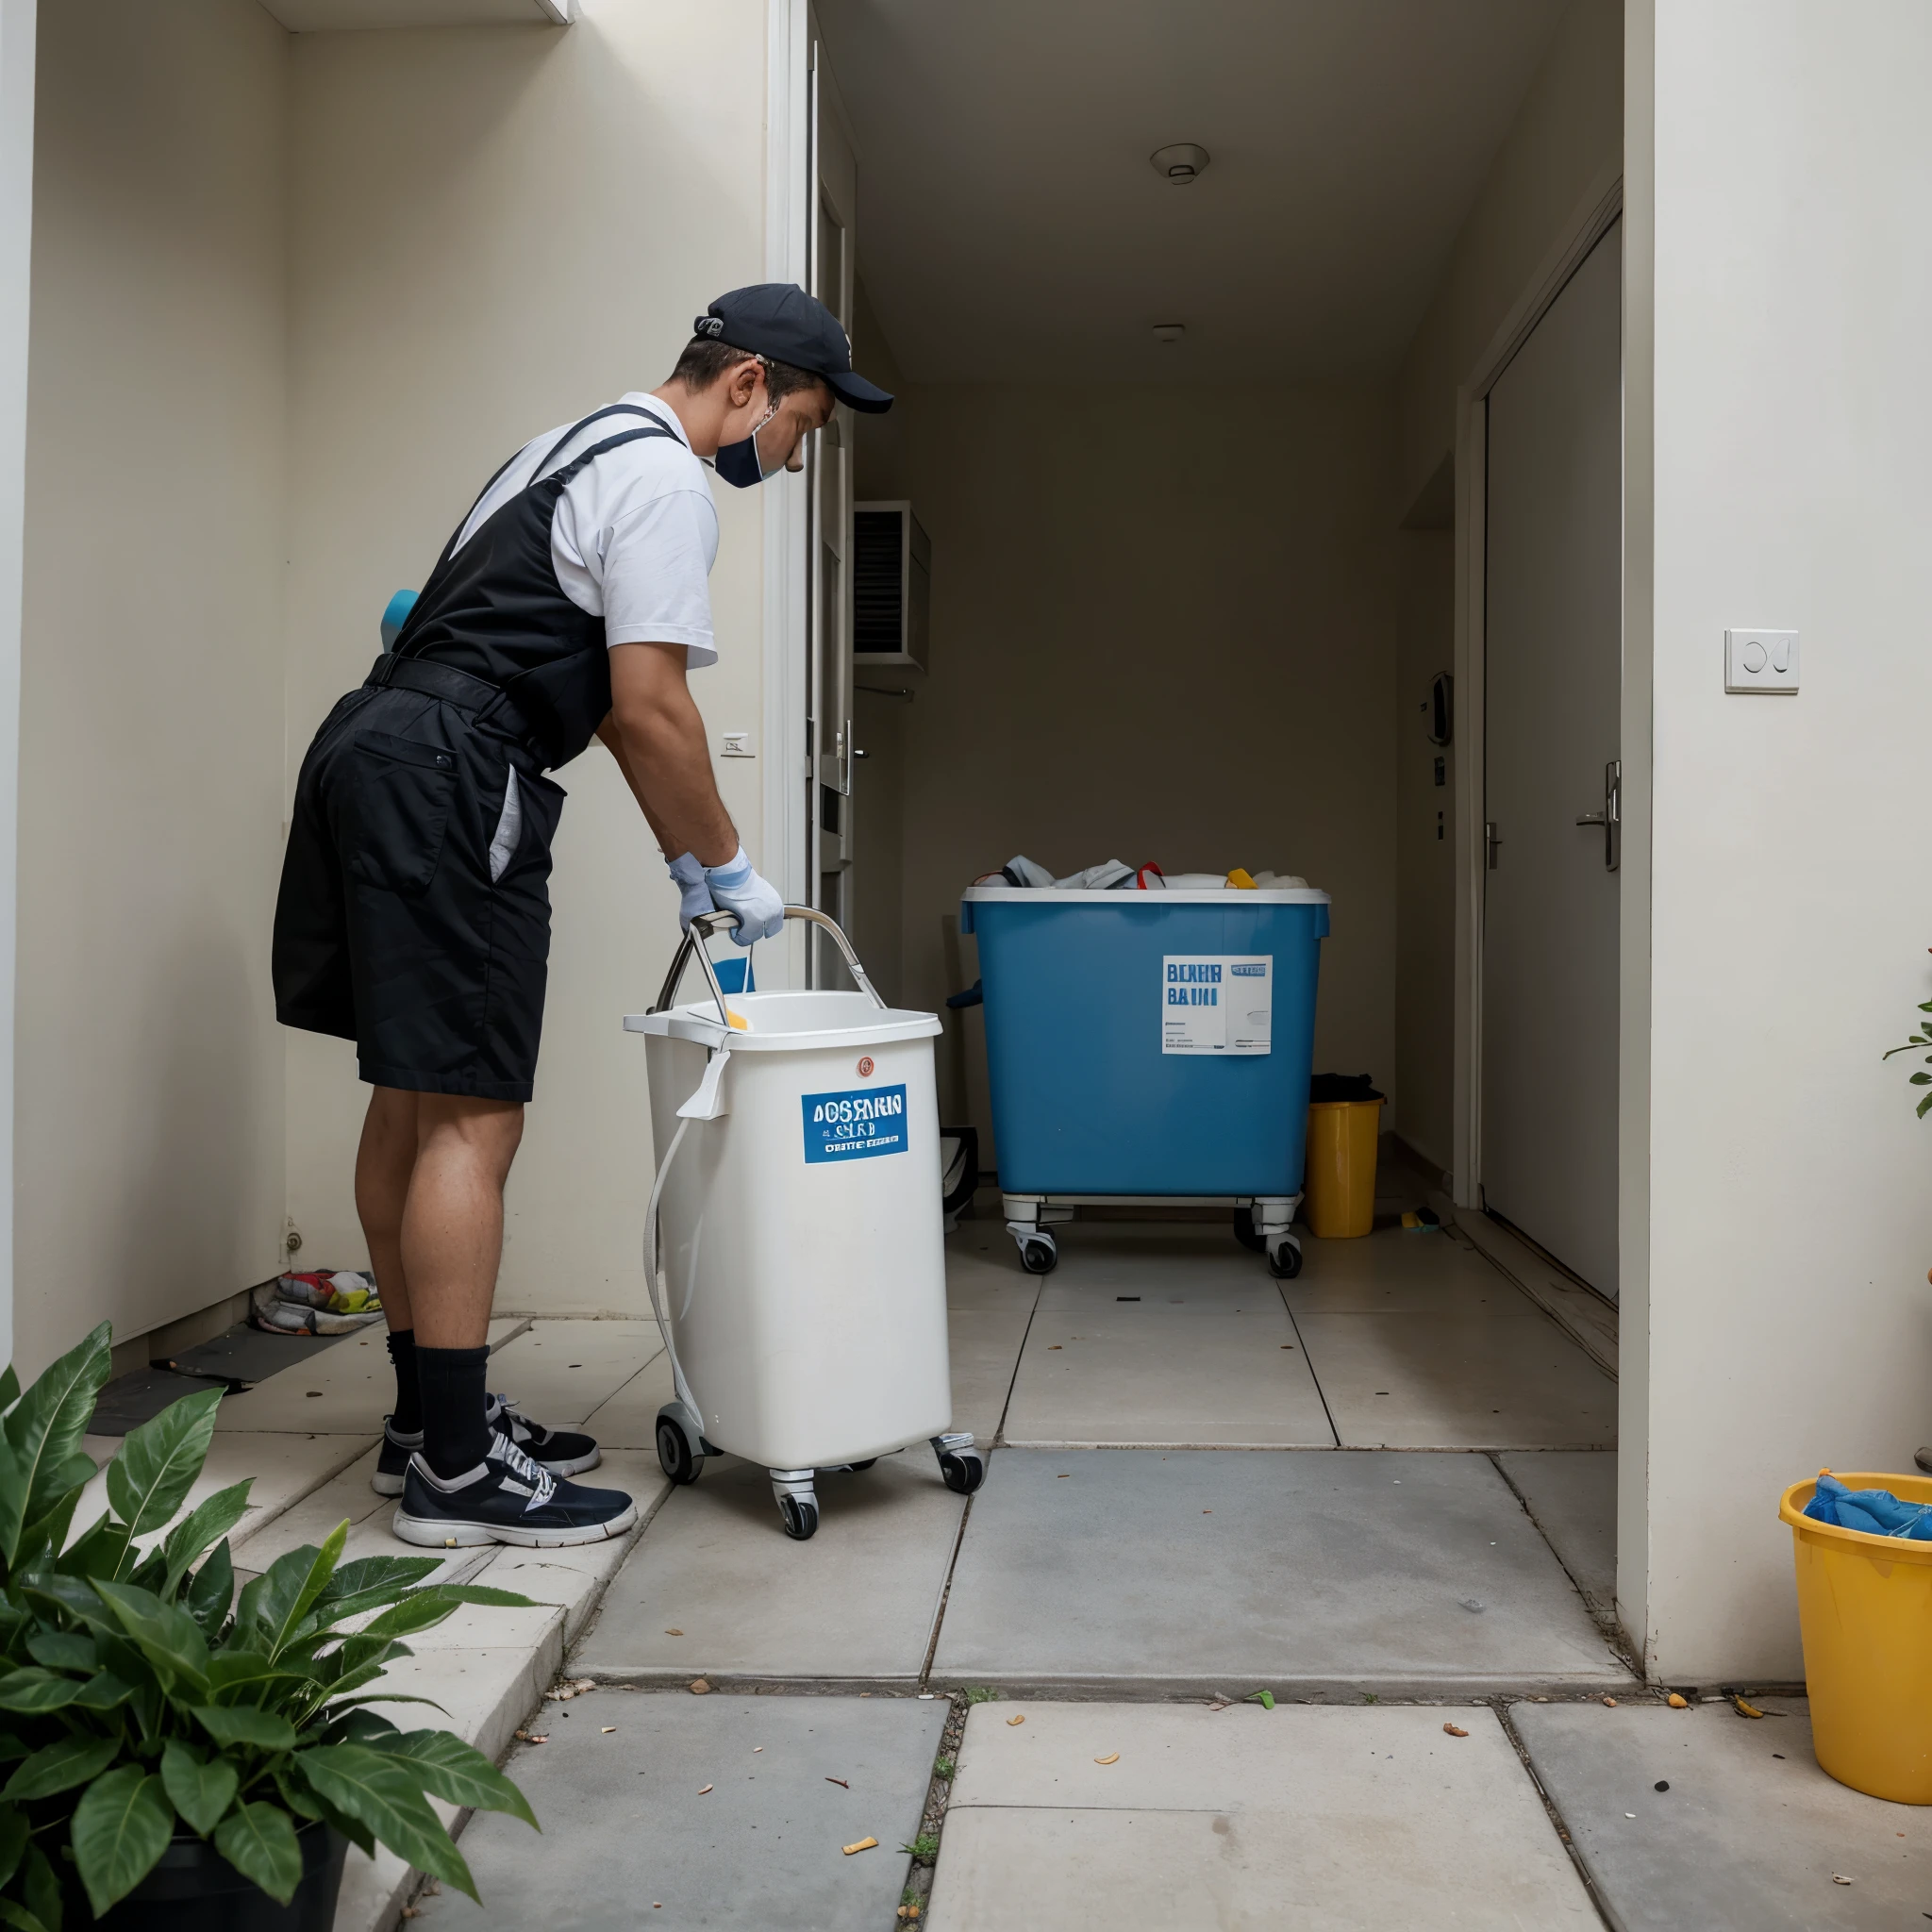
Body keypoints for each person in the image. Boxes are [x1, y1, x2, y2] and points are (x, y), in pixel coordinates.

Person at [273, 285, 893, 1547]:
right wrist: (731, 865)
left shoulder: (571, 443)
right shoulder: (666, 482)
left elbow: (599, 700)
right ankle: (457, 1471)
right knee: (469, 1112)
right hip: (453, 769)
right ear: (747, 386)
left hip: (374, 744)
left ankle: (423, 1426)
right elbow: (652, 704)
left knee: (412, 1094)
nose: (793, 453)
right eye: (805, 425)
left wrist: (684, 855)